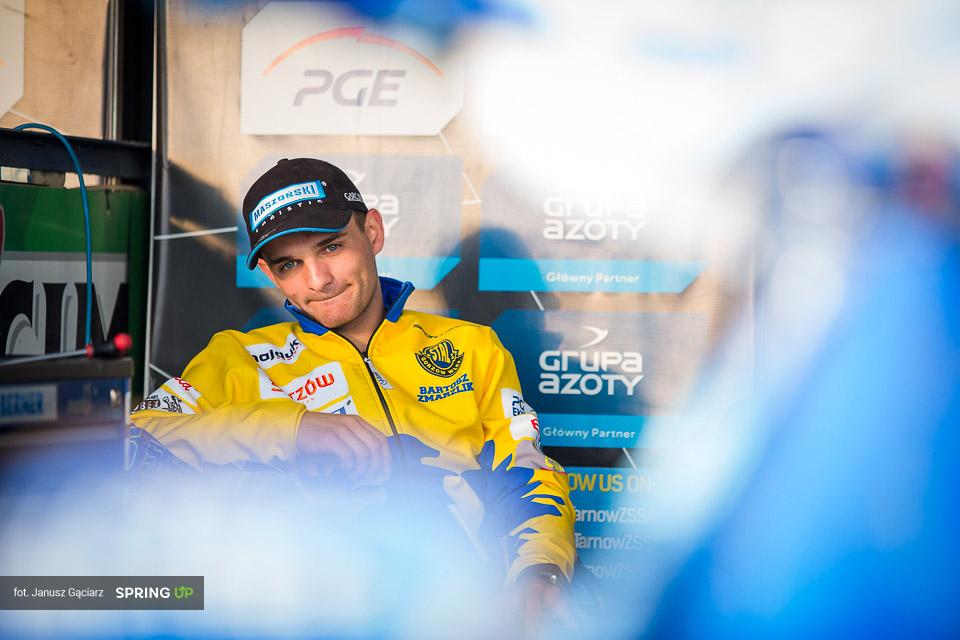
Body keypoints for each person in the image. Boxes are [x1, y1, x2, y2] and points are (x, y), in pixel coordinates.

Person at [128, 158, 576, 624]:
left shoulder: (471, 346)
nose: (318, 279)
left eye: (332, 247)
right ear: (269, 273)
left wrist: (538, 576)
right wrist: (292, 429)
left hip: (465, 616)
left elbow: (527, 476)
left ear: (373, 232)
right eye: (289, 264)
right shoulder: (238, 357)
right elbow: (135, 443)